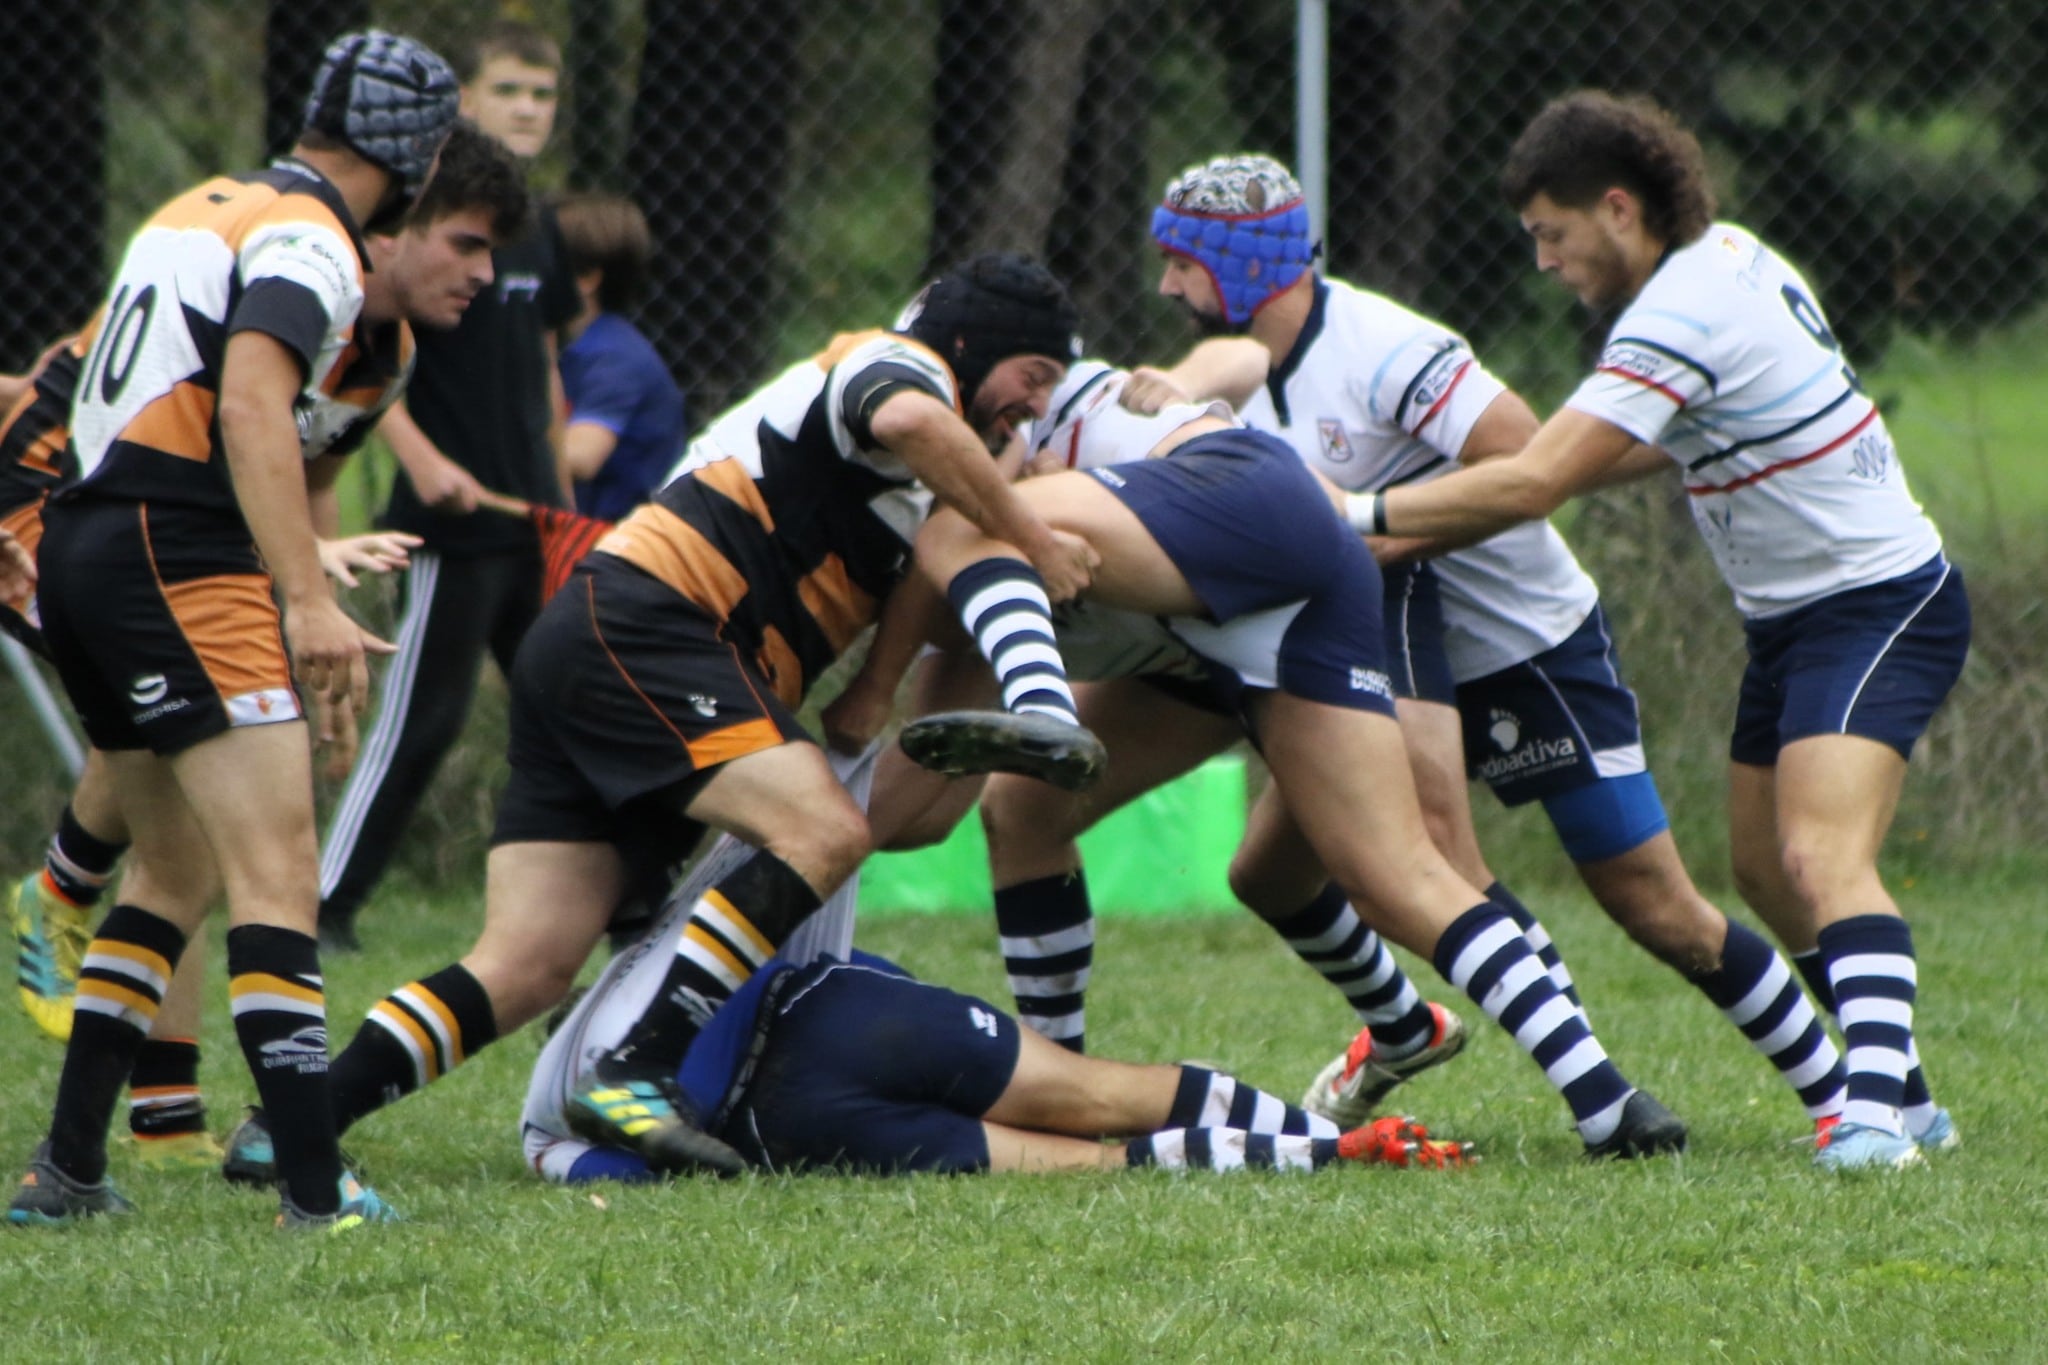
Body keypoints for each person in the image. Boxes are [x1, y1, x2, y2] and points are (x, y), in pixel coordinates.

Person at [224, 252, 1101, 1182]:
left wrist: (876, 688)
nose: (1033, 405)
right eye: (1032, 377)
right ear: (970, 345)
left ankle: (293, 1124)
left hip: (598, 642)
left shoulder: (922, 481)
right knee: (820, 827)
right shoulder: (895, 363)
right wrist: (1037, 538)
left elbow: (929, 548)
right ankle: (631, 1064)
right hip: (648, 626)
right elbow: (915, 418)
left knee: (526, 963)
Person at [1120, 152, 1846, 1136]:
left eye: (1183, 262)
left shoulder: (1384, 348)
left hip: (1526, 641)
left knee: (1651, 902)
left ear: (1247, 263)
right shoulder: (1231, 373)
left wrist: (1357, 536)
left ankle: (1836, 1096)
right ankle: (1465, 1046)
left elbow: (1523, 459)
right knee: (1272, 874)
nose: (1165, 285)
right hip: (1370, 637)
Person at [1360, 92, 1967, 1172]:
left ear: (1616, 207)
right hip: (1794, 620)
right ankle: (1905, 1096)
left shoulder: (1676, 311)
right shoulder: (1726, 257)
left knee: (1818, 854)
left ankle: (1876, 1119)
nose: (1544, 262)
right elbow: (1626, 446)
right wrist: (1443, 509)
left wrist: (1358, 518)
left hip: (1878, 602)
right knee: (1760, 871)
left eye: (1551, 234)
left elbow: (1542, 479)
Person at [879, 371, 1686, 1161]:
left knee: (1400, 872)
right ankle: (1065, 1089)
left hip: (1280, 569)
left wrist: (1178, 381)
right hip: (1188, 638)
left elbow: (1232, 356)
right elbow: (925, 795)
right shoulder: (986, 496)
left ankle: (1608, 1097)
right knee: (1044, 814)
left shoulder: (1058, 423)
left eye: (1183, 260)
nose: (1167, 285)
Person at [3, 43, 518, 1230]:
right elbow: (247, 401)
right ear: (422, 154)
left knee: (176, 865)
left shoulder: (205, 206)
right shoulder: (313, 237)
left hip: (88, 540)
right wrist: (304, 595)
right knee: (279, 870)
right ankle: (310, 1186)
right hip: (177, 549)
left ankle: (68, 1169)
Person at [524, 831, 1470, 1180]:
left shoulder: (549, 1089)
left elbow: (599, 1168)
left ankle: (1332, 1152)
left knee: (1086, 1162)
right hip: (833, 1017)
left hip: (790, 1129)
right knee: (1099, 1098)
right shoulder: (685, 925)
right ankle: (1326, 1140)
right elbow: (809, 857)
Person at [316, 19, 582, 951]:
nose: (528, 110)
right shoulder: (412, 223)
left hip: (529, 522)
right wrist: (427, 465)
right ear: (466, 101)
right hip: (445, 527)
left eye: (543, 95)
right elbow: (361, 358)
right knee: (421, 722)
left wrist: (560, 492)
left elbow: (544, 366)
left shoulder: (535, 229)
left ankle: (615, 899)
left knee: (573, 705)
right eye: (509, 90)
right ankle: (327, 903)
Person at [554, 192, 686, 520]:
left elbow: (581, 456)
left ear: (586, 279)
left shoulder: (614, 356)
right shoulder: (574, 347)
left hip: (621, 549)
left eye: (542, 259)